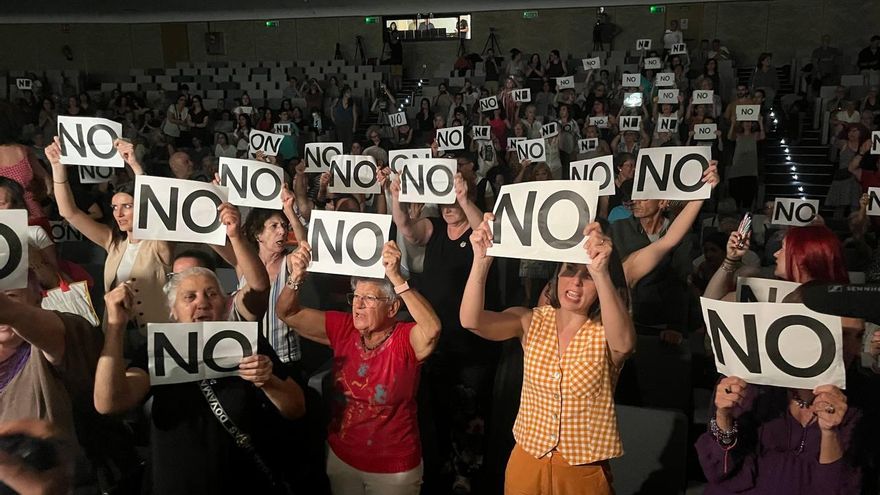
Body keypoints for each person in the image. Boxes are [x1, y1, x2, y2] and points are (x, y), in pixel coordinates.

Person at [94, 264, 305, 495]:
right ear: (173, 311)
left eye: (211, 294)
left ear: (226, 305)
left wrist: (268, 381)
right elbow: (109, 403)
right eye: (190, 297)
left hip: (243, 482)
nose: (202, 303)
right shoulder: (156, 350)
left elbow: (296, 408)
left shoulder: (249, 343)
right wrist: (115, 327)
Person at [460, 218, 634, 495]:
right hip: (527, 463)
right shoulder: (531, 320)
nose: (576, 282)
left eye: (587, 275)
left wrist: (600, 272)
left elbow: (624, 346)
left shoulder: (606, 330)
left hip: (582, 471)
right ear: (556, 276)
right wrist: (480, 261)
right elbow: (471, 320)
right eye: (569, 270)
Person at [276, 241, 441, 495]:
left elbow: (432, 329)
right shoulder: (344, 328)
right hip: (342, 458)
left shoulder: (405, 339)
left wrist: (397, 278)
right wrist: (295, 277)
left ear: (392, 307)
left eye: (369, 298)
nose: (358, 304)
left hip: (393, 469)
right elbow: (287, 313)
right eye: (356, 297)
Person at [45, 138, 172, 347]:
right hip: (116, 334)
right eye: (114, 207)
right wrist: (58, 167)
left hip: (155, 337)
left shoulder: (159, 244)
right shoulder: (113, 242)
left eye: (127, 206)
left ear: (142, 207)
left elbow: (156, 209)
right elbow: (69, 212)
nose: (119, 213)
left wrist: (135, 166)